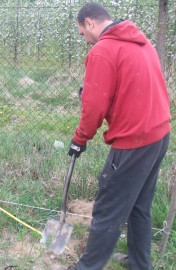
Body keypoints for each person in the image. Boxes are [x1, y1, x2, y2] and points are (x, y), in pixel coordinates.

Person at [67, 3, 171, 269]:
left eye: (82, 33)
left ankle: (87, 266)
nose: (85, 40)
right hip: (158, 135)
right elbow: (131, 85)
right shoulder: (140, 40)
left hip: (133, 141)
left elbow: (94, 108)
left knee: (108, 210)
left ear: (89, 23)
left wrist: (80, 139)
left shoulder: (103, 50)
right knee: (139, 206)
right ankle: (139, 263)